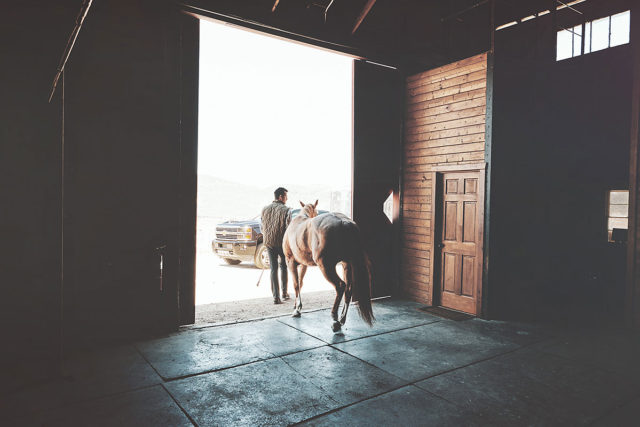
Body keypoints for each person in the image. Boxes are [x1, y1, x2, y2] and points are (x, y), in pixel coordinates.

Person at [261, 187, 292, 304]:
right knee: (283, 267)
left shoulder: (264, 209)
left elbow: (262, 227)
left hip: (269, 243)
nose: (287, 198)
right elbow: (288, 229)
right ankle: (284, 293)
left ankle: (276, 297)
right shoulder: (286, 210)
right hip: (281, 243)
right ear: (280, 197)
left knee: (273, 269)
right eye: (286, 196)